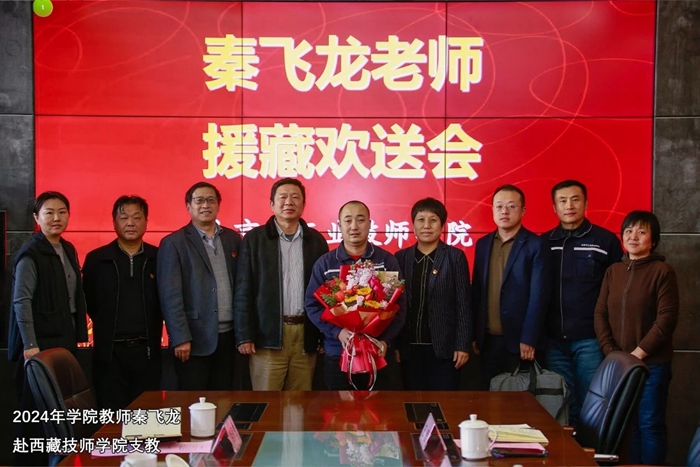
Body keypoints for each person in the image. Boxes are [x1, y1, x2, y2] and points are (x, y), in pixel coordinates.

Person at [7, 191, 88, 466]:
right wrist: (30, 345)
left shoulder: (67, 248)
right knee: (36, 415)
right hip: (38, 345)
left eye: (62, 212)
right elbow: (21, 301)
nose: (56, 218)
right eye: (49, 212)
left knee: (61, 415)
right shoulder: (30, 254)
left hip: (63, 339)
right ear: (36, 218)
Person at [595, 211, 678, 465]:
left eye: (641, 232)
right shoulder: (613, 271)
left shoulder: (662, 271)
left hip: (651, 365)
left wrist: (637, 355)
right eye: (629, 231)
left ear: (653, 240)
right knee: (627, 425)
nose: (633, 236)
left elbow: (666, 320)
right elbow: (600, 314)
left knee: (649, 423)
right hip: (621, 365)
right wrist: (612, 353)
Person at [234, 178, 329, 390]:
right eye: (283, 197)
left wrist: (324, 335)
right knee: (266, 401)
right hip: (267, 336)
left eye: (295, 197)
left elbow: (326, 292)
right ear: (272, 204)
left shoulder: (316, 241)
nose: (289, 202)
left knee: (300, 402)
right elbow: (243, 290)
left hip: (306, 335)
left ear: (303, 204)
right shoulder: (255, 240)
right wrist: (244, 335)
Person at [543, 180, 623, 427]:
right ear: (554, 207)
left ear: (586, 203)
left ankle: (592, 450)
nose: (569, 205)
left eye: (575, 199)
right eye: (563, 201)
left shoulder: (605, 241)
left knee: (594, 403)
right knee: (563, 404)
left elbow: (618, 291)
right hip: (553, 340)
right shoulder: (544, 243)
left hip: (591, 339)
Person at [305, 200, 407, 390]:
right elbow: (312, 306)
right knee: (340, 407)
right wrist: (338, 332)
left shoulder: (386, 261)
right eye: (348, 220)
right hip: (338, 352)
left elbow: (399, 307)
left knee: (380, 408)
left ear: (369, 224)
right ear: (339, 225)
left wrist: (385, 340)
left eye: (360, 220)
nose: (354, 226)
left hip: (378, 351)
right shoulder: (325, 264)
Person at [157, 182, 241, 390]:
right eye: (199, 200)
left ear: (218, 205)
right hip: (193, 339)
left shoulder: (233, 239)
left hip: (230, 337)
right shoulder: (174, 243)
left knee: (224, 399)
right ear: (189, 206)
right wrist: (180, 338)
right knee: (193, 401)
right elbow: (170, 296)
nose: (206, 205)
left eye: (211, 200)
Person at [82, 196, 162, 410]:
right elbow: (89, 301)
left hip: (148, 352)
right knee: (112, 416)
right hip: (109, 354)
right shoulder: (97, 259)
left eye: (137, 217)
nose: (130, 223)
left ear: (146, 222)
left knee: (146, 416)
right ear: (114, 222)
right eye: (124, 217)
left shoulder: (159, 257)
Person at [472, 184, 549, 389]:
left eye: (511, 206)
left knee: (518, 400)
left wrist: (529, 338)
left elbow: (539, 296)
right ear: (493, 210)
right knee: (488, 396)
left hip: (519, 342)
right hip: (487, 341)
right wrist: (475, 335)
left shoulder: (536, 245)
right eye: (499, 206)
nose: (504, 211)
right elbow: (477, 292)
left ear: (523, 210)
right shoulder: (483, 244)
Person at [394, 198, 472, 390]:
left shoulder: (455, 257)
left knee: (444, 402)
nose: (426, 225)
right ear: (413, 224)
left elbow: (464, 304)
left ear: (442, 225)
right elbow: (395, 305)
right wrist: (396, 345)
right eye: (421, 220)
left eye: (433, 220)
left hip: (444, 349)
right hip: (409, 349)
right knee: (412, 402)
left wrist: (462, 345)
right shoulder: (401, 258)